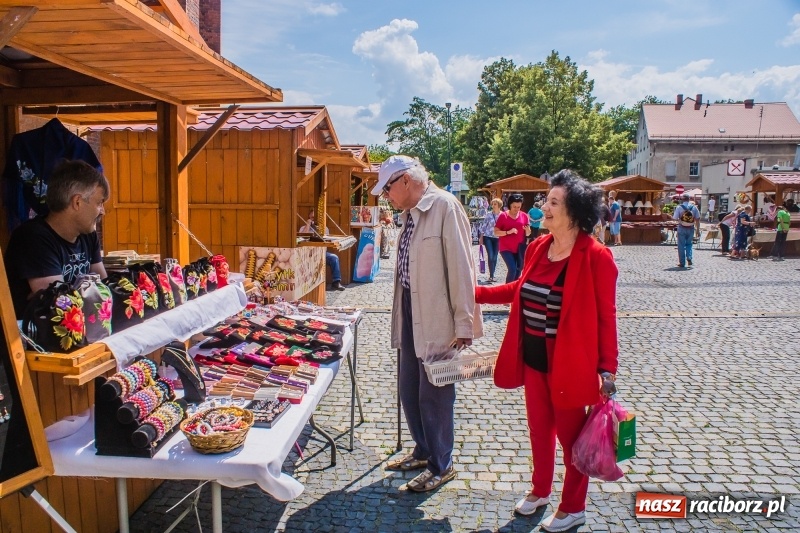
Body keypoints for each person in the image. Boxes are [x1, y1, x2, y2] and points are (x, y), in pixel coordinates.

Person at [475, 169, 618, 532]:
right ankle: (540, 490)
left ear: (574, 212)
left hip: (570, 364)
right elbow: (517, 290)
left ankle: (573, 508)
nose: (545, 208)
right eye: (546, 201)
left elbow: (607, 317)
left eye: (553, 202)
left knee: (572, 442)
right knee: (540, 431)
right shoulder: (539, 247)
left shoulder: (596, 257)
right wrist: (473, 293)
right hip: (534, 359)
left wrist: (607, 368)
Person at [374, 155, 482, 492]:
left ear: (405, 180)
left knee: (434, 392)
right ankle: (423, 449)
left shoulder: (445, 207)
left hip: (437, 313)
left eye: (388, 188)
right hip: (410, 307)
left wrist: (464, 323)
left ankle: (441, 464)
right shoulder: (409, 215)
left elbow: (464, 268)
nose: (386, 196)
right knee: (409, 386)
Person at [5, 160, 109, 318]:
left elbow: (105, 291)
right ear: (77, 202)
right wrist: (88, 293)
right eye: (99, 203)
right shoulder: (33, 238)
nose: (103, 211)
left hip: (81, 330)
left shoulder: (88, 235)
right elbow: (59, 306)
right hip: (34, 338)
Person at [300, 210, 345, 290]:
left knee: (334, 258)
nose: (314, 220)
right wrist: (308, 225)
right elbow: (302, 237)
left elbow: (324, 241)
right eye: (312, 218)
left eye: (315, 218)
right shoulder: (303, 228)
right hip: (307, 253)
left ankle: (336, 282)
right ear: (309, 218)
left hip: (322, 252)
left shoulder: (325, 228)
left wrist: (318, 228)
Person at [495, 194, 531, 283]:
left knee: (519, 269)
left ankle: (513, 289)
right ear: (510, 205)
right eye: (514, 206)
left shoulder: (524, 216)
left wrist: (527, 230)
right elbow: (496, 232)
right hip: (505, 247)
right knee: (512, 269)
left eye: (519, 207)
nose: (517, 209)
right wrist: (508, 232)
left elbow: (528, 233)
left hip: (519, 247)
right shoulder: (503, 216)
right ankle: (507, 290)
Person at [672, 193, 701, 268]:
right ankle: (689, 257)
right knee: (689, 244)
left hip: (681, 227)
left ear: (682, 199)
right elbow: (698, 219)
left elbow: (675, 218)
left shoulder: (679, 207)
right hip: (691, 228)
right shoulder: (694, 207)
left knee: (681, 245)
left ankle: (682, 262)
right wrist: (697, 230)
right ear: (689, 199)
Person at [478, 198, 503, 283]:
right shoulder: (488, 215)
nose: (493, 205)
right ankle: (491, 276)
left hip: (498, 238)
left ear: (499, 205)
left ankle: (492, 275)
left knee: (495, 256)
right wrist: (481, 237)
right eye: (492, 204)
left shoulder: (503, 215)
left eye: (495, 204)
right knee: (491, 255)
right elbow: (484, 226)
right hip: (488, 236)